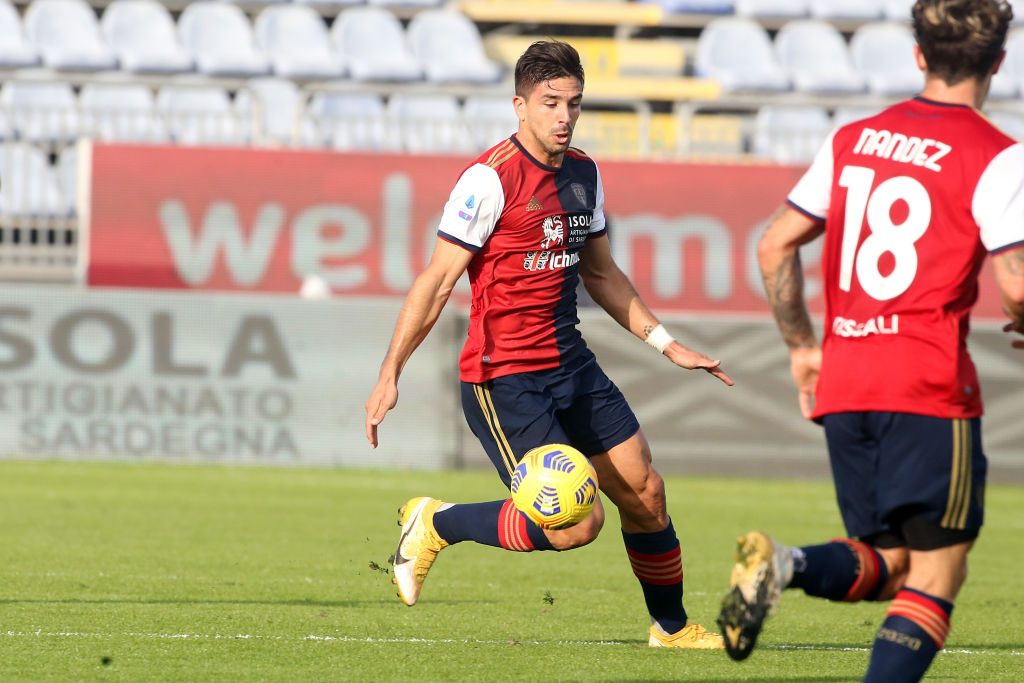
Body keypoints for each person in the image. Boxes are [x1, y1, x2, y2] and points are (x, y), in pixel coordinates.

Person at [364, 39, 734, 649]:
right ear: (520, 105)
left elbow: (603, 274)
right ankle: (436, 522)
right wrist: (390, 372)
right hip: (504, 378)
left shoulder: (585, 175)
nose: (564, 116)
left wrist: (666, 343)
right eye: (550, 102)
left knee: (646, 493)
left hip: (571, 364)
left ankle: (672, 628)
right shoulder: (489, 180)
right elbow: (435, 284)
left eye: (574, 104)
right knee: (575, 524)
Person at [717, 1, 1024, 680]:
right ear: (999, 64)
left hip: (846, 380)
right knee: (940, 572)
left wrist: (802, 345)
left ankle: (785, 562)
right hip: (926, 383)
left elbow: (774, 246)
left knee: (893, 566)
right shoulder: (999, 157)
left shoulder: (853, 138)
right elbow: (1018, 285)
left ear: (918, 55)